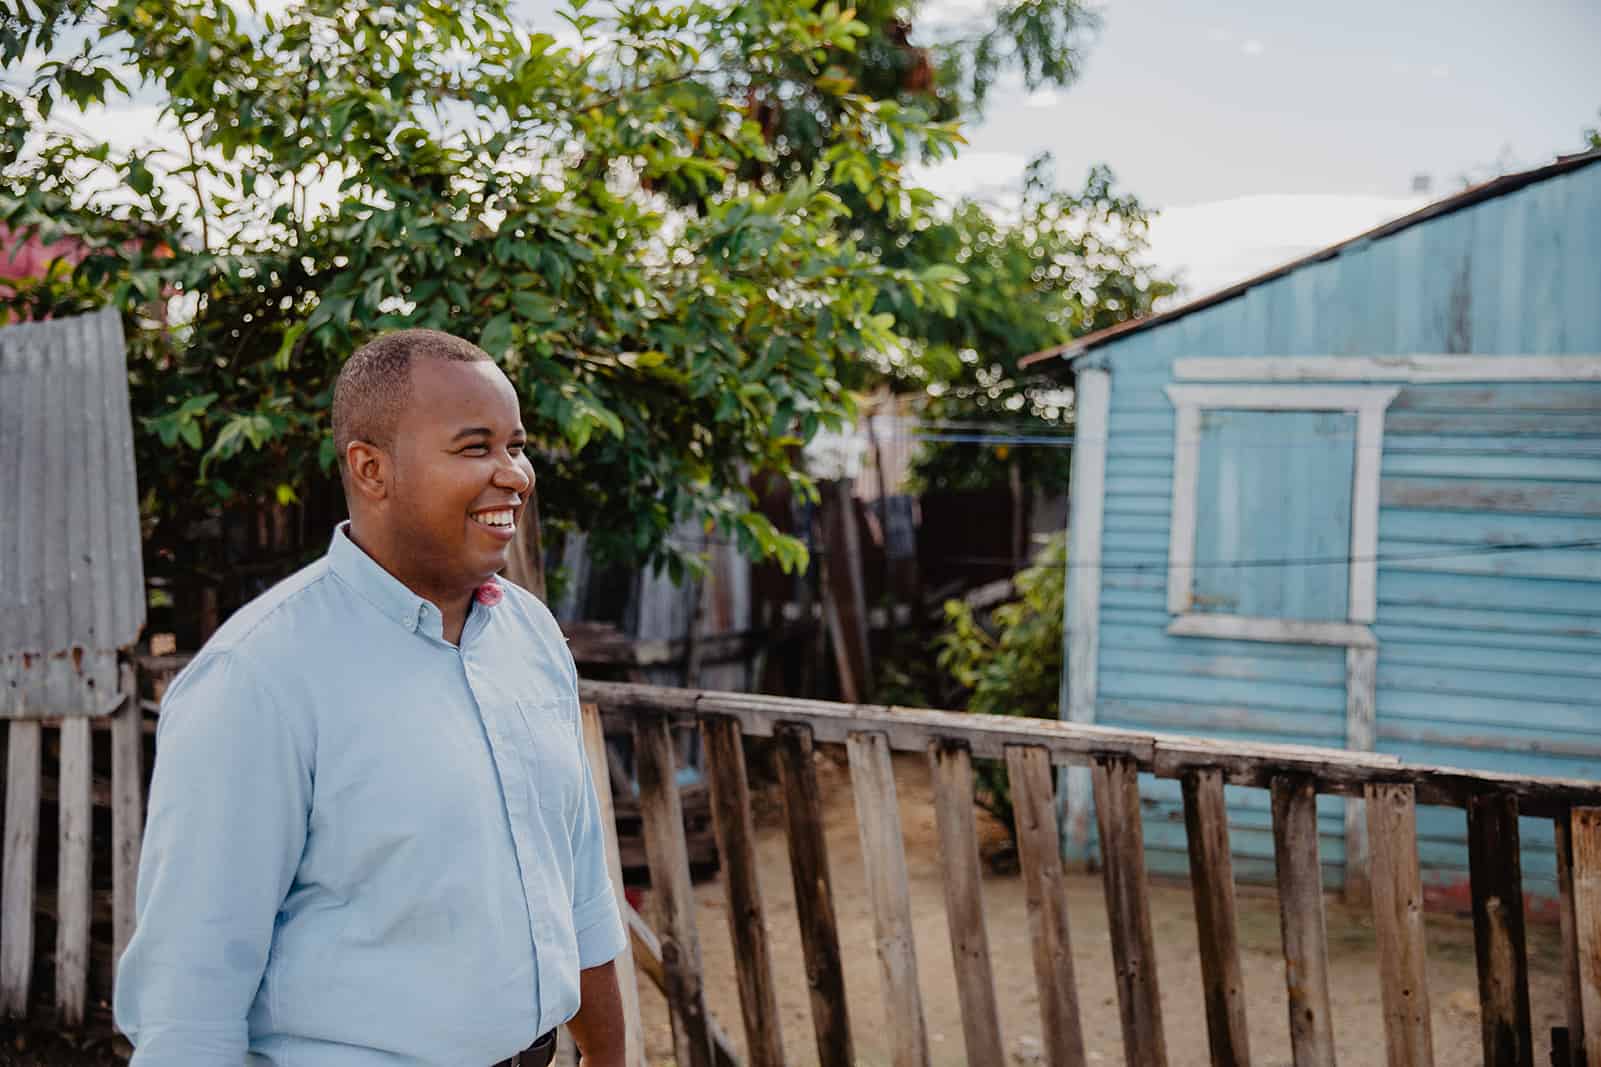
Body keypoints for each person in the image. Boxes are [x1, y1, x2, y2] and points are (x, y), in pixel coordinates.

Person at [115, 329, 628, 1066]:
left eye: (516, 445)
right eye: (476, 446)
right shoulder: (259, 677)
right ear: (370, 467)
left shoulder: (531, 637)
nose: (514, 474)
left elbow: (579, 893)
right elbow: (189, 1009)